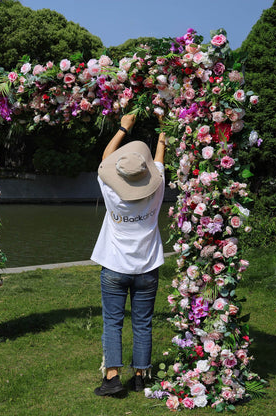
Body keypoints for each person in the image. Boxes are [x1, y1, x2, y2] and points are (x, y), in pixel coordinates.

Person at [91, 113, 167, 396]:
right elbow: (159, 160)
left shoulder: (111, 190)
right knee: (142, 322)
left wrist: (124, 127)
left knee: (112, 321)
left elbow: (104, 160)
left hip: (114, 267)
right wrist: (162, 129)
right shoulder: (156, 188)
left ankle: (112, 379)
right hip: (147, 268)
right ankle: (140, 376)